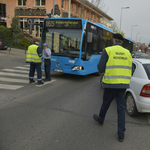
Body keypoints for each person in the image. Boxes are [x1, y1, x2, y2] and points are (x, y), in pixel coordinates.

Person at [93, 33, 132, 142]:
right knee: (121, 108)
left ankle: (101, 119)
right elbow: (131, 70)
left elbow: (100, 68)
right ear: (122, 42)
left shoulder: (108, 50)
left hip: (110, 84)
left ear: (113, 41)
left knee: (106, 103)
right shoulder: (128, 53)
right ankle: (121, 134)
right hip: (123, 85)